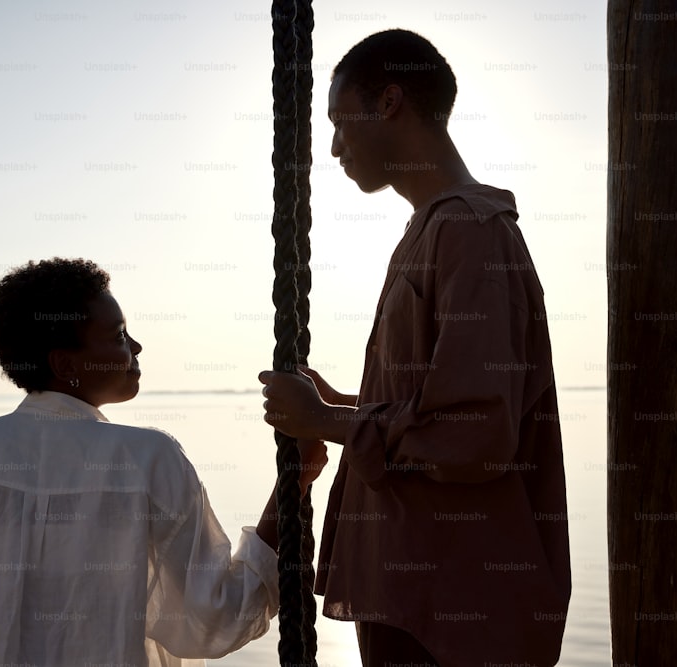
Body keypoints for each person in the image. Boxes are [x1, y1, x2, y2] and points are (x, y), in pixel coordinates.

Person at [0, 257, 326, 666]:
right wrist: (293, 482)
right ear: (65, 365)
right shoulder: (149, 461)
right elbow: (218, 619)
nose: (136, 347)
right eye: (117, 336)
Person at [258, 29, 571, 666]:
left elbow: (477, 434)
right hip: (415, 600)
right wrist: (347, 404)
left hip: (459, 616)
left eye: (341, 124)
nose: (336, 148)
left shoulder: (469, 232)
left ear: (390, 102)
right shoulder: (431, 230)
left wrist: (326, 422)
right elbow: (431, 408)